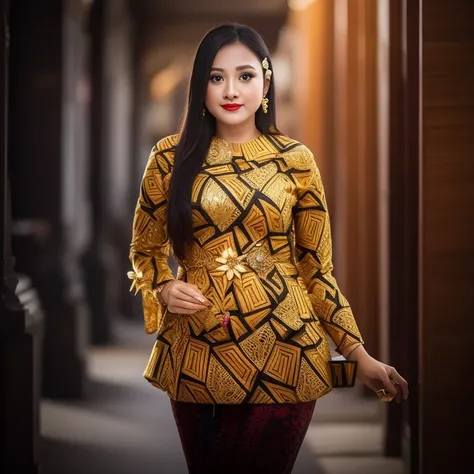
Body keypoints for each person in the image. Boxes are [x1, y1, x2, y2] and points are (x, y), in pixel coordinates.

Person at [128, 23, 409, 474]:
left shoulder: (295, 160)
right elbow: (145, 250)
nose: (231, 90)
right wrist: (162, 287)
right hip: (196, 350)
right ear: (200, 84)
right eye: (216, 77)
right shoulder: (168, 158)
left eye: (244, 75)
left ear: (266, 81)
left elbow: (318, 270)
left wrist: (358, 354)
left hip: (287, 347)